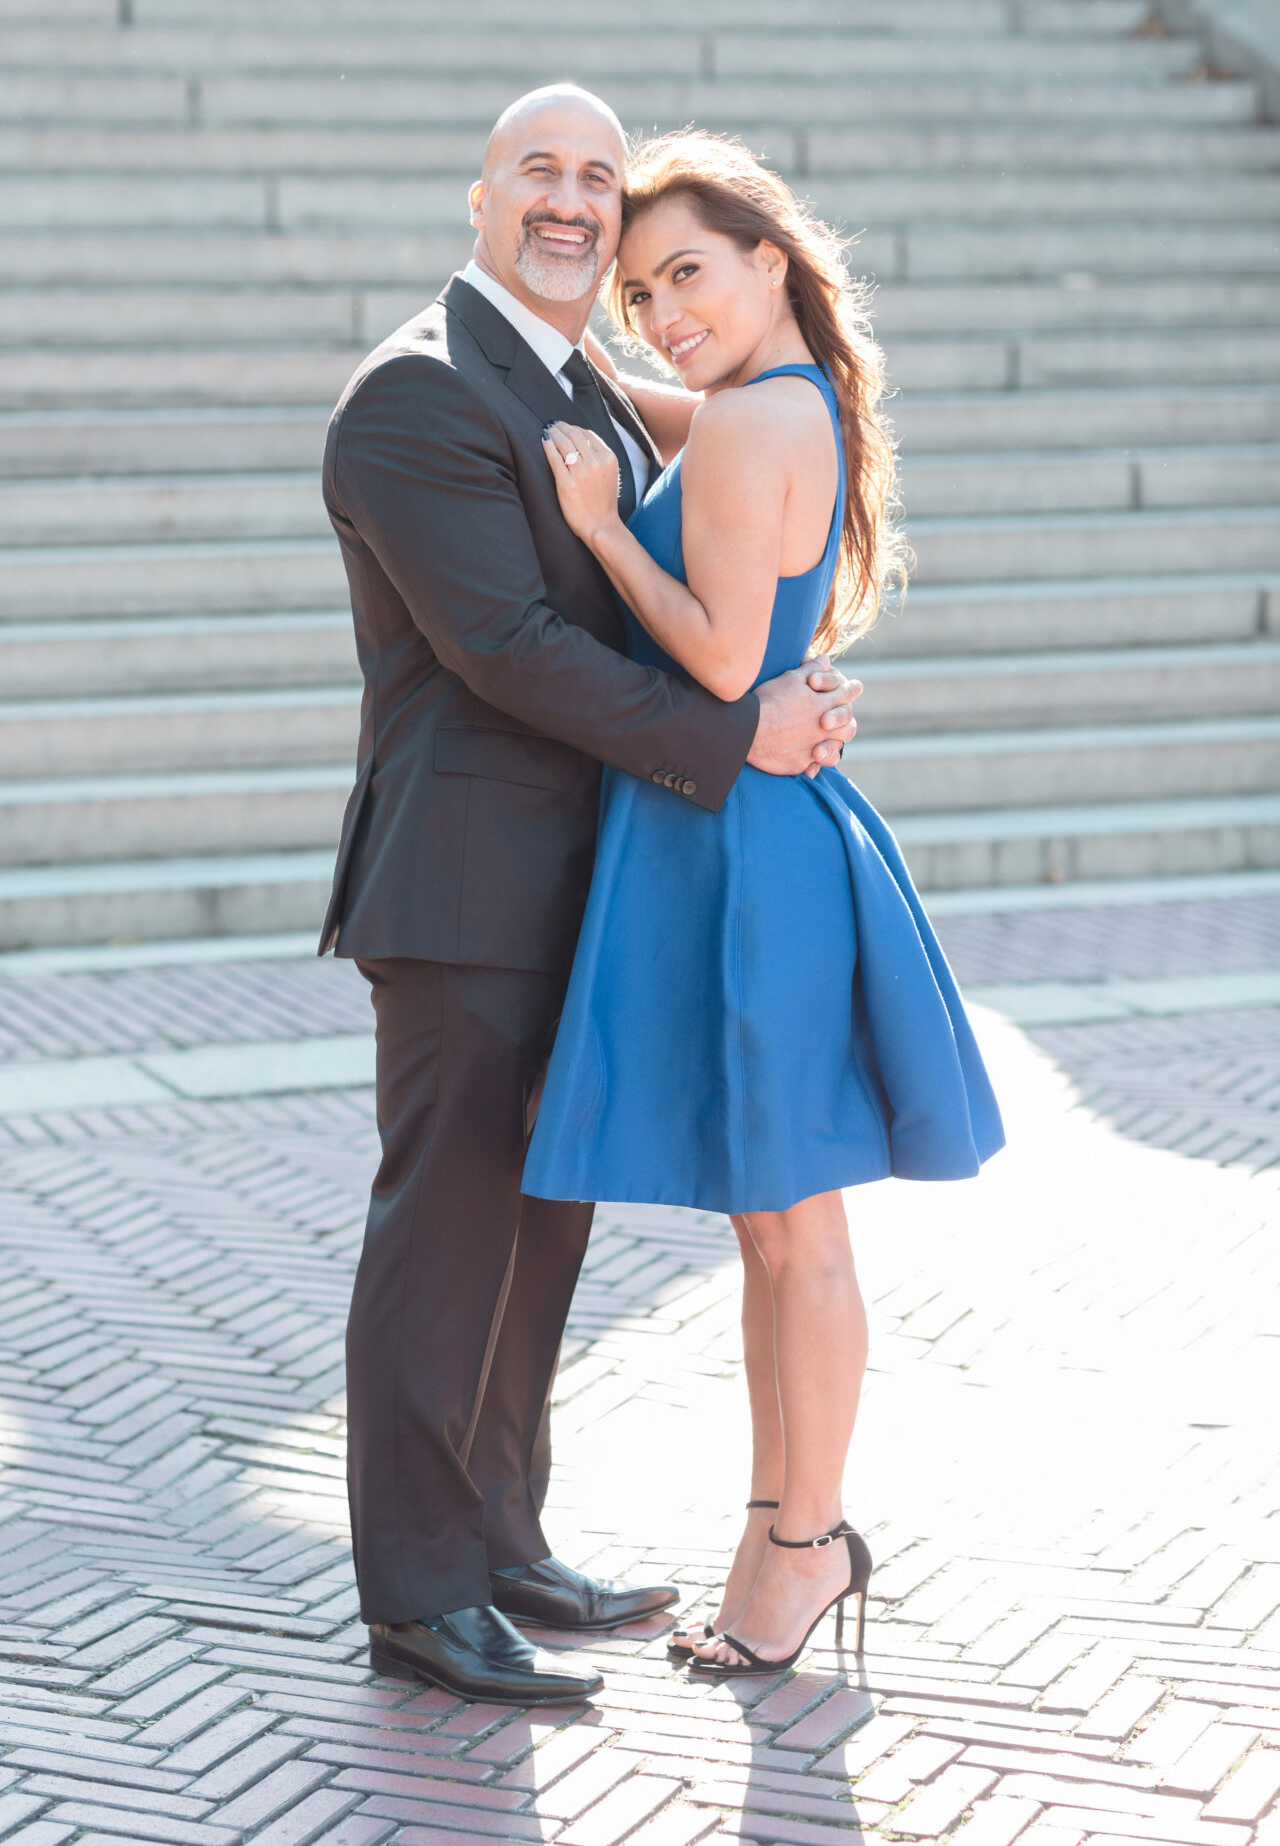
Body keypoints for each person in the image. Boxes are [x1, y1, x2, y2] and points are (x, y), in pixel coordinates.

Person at [318, 86, 863, 1707]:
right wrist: (736, 728)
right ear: (479, 196)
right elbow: (511, 651)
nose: (572, 202)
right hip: (468, 878)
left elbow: (759, 470)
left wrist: (790, 667)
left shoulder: (585, 381)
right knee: (447, 1229)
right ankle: (419, 1591)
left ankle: (499, 1540)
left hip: (595, 874)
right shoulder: (416, 394)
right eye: (539, 172)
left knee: (540, 1223)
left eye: (598, 181)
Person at [523, 131, 1005, 1676]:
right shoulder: (776, 408)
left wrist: (602, 528)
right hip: (755, 839)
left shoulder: (744, 430)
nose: (661, 315)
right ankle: (780, 1527)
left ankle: (805, 1547)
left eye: (688, 275)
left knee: (795, 1236)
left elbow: (725, 671)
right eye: (640, 290)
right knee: (771, 1230)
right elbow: (678, 420)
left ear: (768, 263)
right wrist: (587, 388)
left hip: (741, 846)